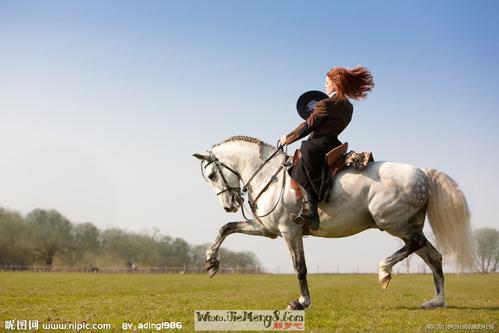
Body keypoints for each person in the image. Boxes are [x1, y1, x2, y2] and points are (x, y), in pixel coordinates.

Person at [278, 66, 374, 230]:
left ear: (335, 83)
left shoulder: (325, 104)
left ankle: (310, 208)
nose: (325, 85)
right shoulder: (349, 107)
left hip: (318, 144)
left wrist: (287, 138)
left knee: (300, 163)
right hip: (334, 143)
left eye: (327, 81)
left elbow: (308, 125)